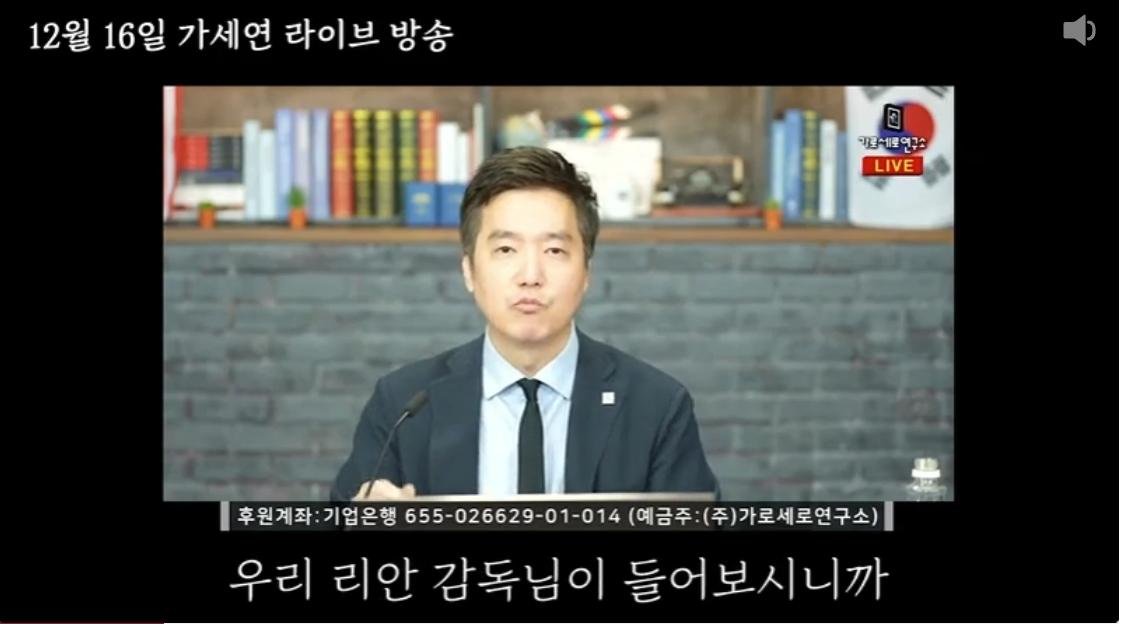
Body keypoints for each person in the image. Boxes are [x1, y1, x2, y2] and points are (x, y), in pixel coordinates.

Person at [330, 146, 719, 502]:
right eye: (506, 249)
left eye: (554, 250)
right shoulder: (403, 404)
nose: (530, 275)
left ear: (586, 272)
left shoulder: (657, 405)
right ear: (469, 271)